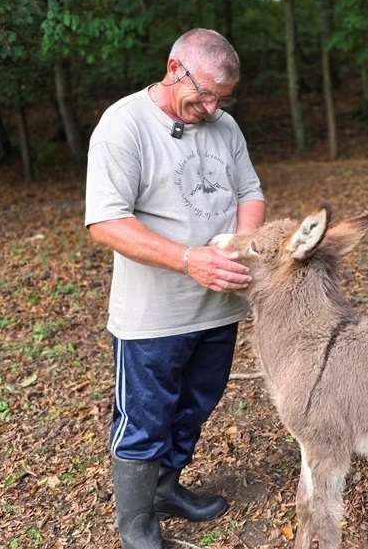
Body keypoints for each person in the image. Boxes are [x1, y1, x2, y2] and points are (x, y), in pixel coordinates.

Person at [85, 28, 265, 549]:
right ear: (172, 69)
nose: (211, 109)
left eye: (222, 99)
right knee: (145, 419)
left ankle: (166, 489)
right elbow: (106, 223)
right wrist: (188, 260)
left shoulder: (224, 126)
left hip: (218, 306)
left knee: (194, 405)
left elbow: (250, 192)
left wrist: (240, 244)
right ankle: (137, 526)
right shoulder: (124, 125)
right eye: (204, 95)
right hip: (152, 317)